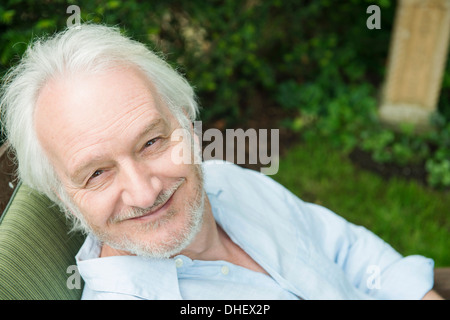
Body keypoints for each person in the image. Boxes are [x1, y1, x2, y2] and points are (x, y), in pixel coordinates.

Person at [0, 24, 442, 300]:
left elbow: (340, 246)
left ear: (188, 125)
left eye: (152, 142)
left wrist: (418, 292)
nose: (145, 191)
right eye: (96, 173)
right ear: (64, 195)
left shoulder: (229, 181)